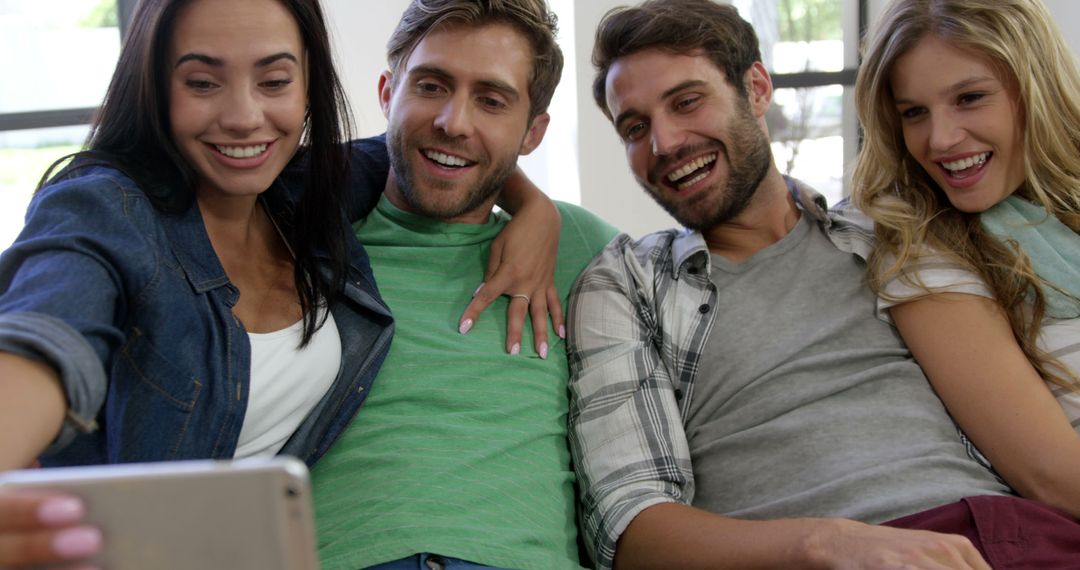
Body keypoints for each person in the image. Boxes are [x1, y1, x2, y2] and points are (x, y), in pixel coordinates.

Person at [0, 0, 561, 566]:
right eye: (201, 81)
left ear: (307, 88)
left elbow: (438, 148)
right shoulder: (105, 210)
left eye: (273, 81)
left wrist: (536, 207)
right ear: (153, 87)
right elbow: (46, 336)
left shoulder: (305, 189)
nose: (244, 116)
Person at [566, 0, 1080, 568]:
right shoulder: (626, 282)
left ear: (757, 87)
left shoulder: (896, 229)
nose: (663, 142)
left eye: (687, 102)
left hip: (1009, 537)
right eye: (634, 127)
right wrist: (825, 543)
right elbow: (631, 529)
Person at [307, 1, 618, 569]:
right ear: (386, 93)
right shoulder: (299, 244)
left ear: (533, 132)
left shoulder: (584, 248)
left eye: (492, 101)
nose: (454, 121)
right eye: (430, 86)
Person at [852, 0, 1080, 521]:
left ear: (1035, 86)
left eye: (970, 98)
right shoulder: (921, 252)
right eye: (914, 113)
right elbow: (1053, 475)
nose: (940, 140)